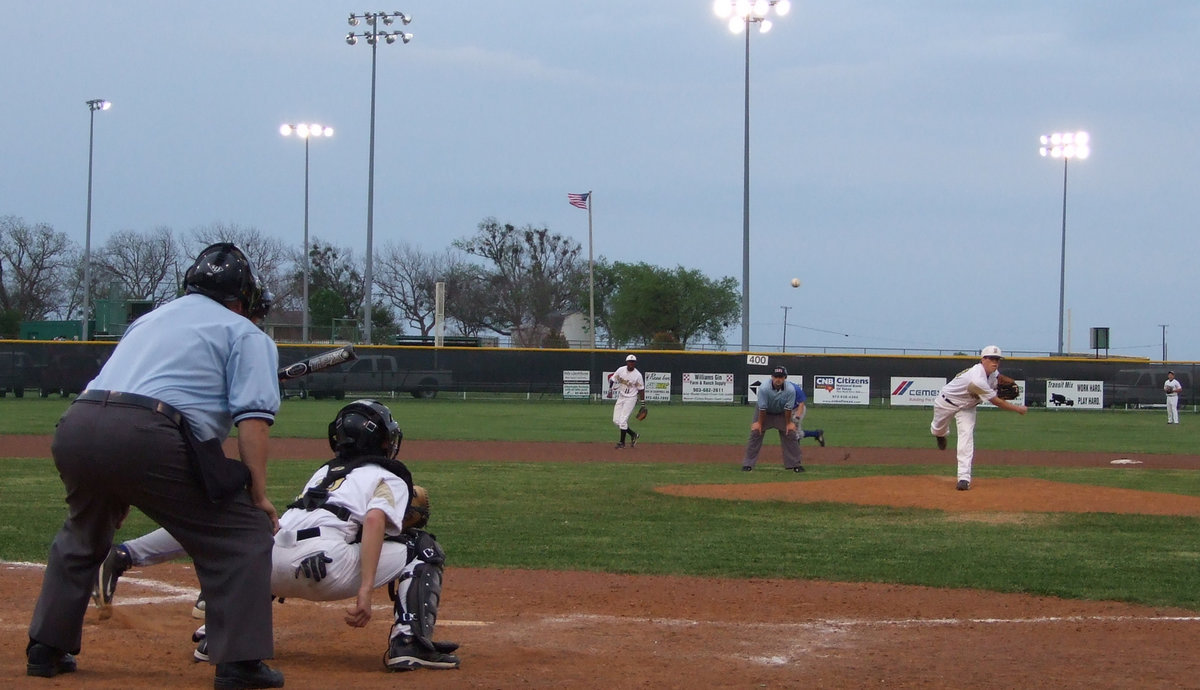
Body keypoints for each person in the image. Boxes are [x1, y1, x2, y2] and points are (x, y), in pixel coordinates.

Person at [26, 243, 284, 688]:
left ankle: (45, 648)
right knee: (242, 534)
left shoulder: (149, 320)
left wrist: (121, 480)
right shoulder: (246, 334)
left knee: (83, 532)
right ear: (241, 299)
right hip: (147, 432)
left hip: (78, 424)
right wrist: (257, 495)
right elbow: (253, 425)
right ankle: (240, 663)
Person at [94, 400, 461, 673]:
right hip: (326, 571)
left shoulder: (324, 474)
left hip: (267, 569)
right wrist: (366, 589)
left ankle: (214, 636)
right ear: (383, 441)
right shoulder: (390, 474)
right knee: (422, 547)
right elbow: (376, 521)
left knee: (237, 527)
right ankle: (408, 640)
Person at [930, 345, 1028, 491]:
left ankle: (964, 478)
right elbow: (997, 402)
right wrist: (1018, 409)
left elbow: (999, 379)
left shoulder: (993, 374)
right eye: (991, 359)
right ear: (983, 359)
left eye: (997, 359)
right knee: (938, 429)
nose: (995, 362)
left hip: (968, 407)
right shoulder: (977, 378)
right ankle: (940, 435)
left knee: (967, 437)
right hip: (946, 403)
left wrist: (1006, 382)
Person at [741, 366, 804, 472]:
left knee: (791, 433)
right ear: (772, 377)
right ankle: (748, 464)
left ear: (785, 378)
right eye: (776, 377)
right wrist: (759, 423)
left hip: (781, 413)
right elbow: (762, 408)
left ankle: (795, 464)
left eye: (781, 377)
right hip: (765, 412)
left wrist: (788, 423)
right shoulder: (764, 388)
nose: (778, 379)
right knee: (756, 432)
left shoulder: (790, 390)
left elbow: (788, 408)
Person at [609, 354, 645, 449]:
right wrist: (610, 389)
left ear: (635, 363)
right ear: (627, 362)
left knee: (623, 420)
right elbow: (612, 379)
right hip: (621, 397)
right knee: (616, 421)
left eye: (633, 362)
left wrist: (643, 404)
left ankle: (622, 443)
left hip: (631, 398)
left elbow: (641, 389)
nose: (631, 363)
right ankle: (633, 434)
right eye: (630, 361)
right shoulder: (621, 370)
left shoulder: (638, 375)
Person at [788, 380, 826, 447]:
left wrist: (797, 417)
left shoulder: (794, 388)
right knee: (797, 432)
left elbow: (801, 404)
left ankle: (796, 453)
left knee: (794, 432)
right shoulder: (773, 389)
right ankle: (817, 433)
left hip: (798, 409)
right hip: (788, 411)